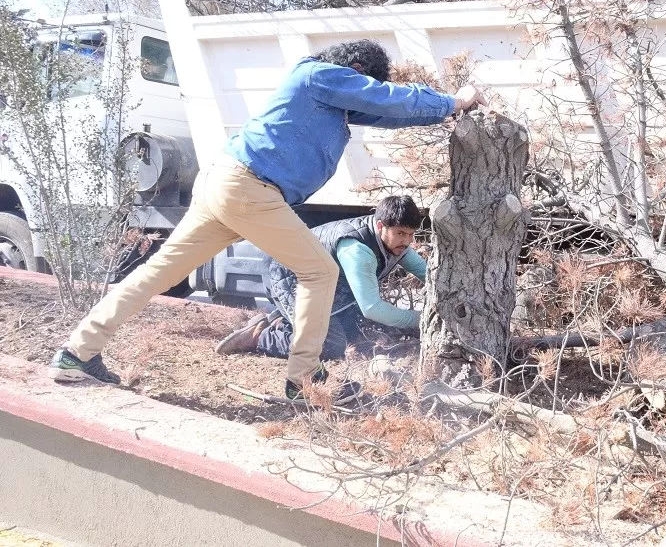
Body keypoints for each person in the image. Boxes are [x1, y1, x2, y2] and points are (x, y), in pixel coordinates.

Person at [48, 39, 487, 403]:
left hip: (228, 183)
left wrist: (444, 112)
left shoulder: (324, 96)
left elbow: (383, 111)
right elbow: (383, 97)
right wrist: (454, 99)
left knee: (156, 273)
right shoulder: (317, 74)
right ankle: (305, 380)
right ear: (353, 69)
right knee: (320, 271)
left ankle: (76, 352)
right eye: (363, 81)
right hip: (248, 187)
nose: (363, 90)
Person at [215, 195, 426, 366]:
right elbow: (371, 308)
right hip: (288, 277)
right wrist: (423, 320)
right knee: (330, 346)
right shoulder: (357, 250)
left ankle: (282, 321)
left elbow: (426, 272)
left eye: (411, 234)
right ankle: (260, 336)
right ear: (380, 226)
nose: (407, 241)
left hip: (321, 284)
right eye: (401, 233)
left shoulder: (396, 244)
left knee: (355, 334)